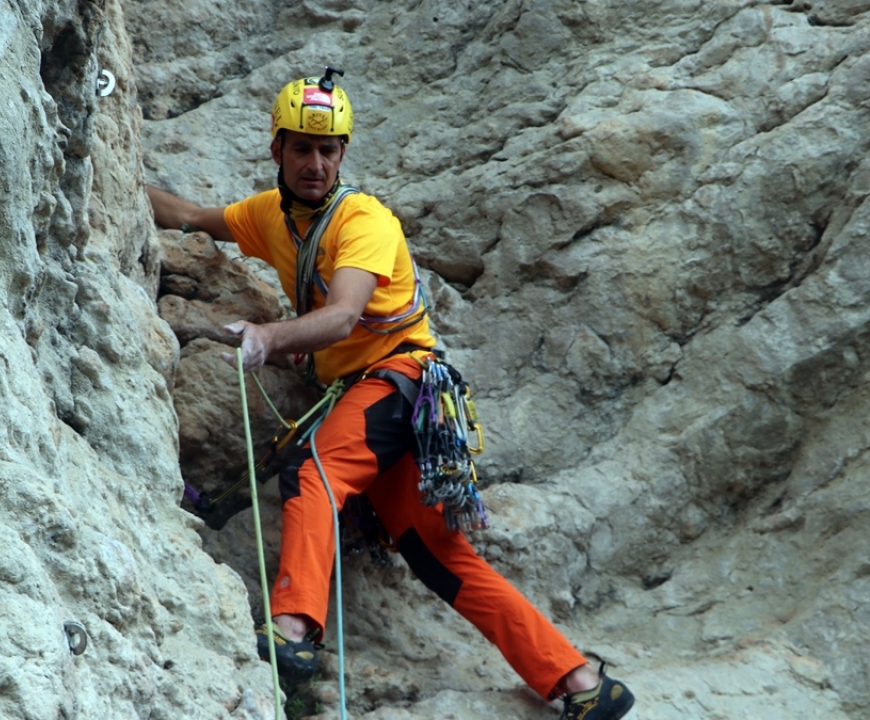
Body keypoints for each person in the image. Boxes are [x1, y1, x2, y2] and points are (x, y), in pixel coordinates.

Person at [146, 68, 634, 720]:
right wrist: (120, 182)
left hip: (399, 382)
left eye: (328, 150)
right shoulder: (272, 216)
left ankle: (292, 633)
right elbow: (190, 217)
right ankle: (578, 682)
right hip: (378, 402)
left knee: (314, 466)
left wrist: (270, 335)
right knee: (438, 557)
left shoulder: (363, 221)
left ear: (343, 153)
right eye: (302, 149)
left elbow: (346, 315)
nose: (316, 163)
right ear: (277, 152)